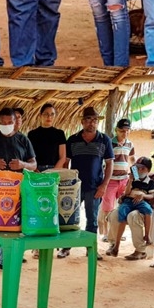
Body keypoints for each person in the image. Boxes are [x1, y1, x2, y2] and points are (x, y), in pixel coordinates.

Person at [0, 107, 36, 272]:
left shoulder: (23, 140)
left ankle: (5, 259)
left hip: (16, 191)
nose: (6, 125)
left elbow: (34, 164)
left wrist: (22, 164)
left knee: (13, 225)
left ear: (15, 121)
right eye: (2, 123)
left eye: (9, 122)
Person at [65, 106, 114, 258]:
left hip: (95, 187)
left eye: (94, 120)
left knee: (92, 219)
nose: (91, 123)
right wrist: (66, 184)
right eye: (88, 120)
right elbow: (66, 162)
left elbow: (110, 164)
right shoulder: (73, 140)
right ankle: (66, 247)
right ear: (82, 122)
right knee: (69, 217)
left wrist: (104, 185)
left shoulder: (104, 139)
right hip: (75, 187)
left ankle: (90, 248)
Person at [98, 118, 135, 241]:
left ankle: (117, 233)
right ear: (116, 130)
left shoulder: (130, 144)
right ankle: (107, 234)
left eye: (127, 131)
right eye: (121, 131)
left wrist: (135, 175)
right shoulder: (109, 143)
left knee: (121, 207)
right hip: (111, 180)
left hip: (124, 180)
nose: (124, 133)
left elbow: (132, 160)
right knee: (107, 208)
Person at [26, 102, 67, 171]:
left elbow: (62, 157)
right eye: (46, 114)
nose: (49, 117)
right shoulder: (32, 134)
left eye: (52, 114)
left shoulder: (59, 133)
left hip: (54, 169)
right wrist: (36, 170)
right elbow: (29, 155)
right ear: (40, 115)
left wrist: (52, 172)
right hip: (36, 169)